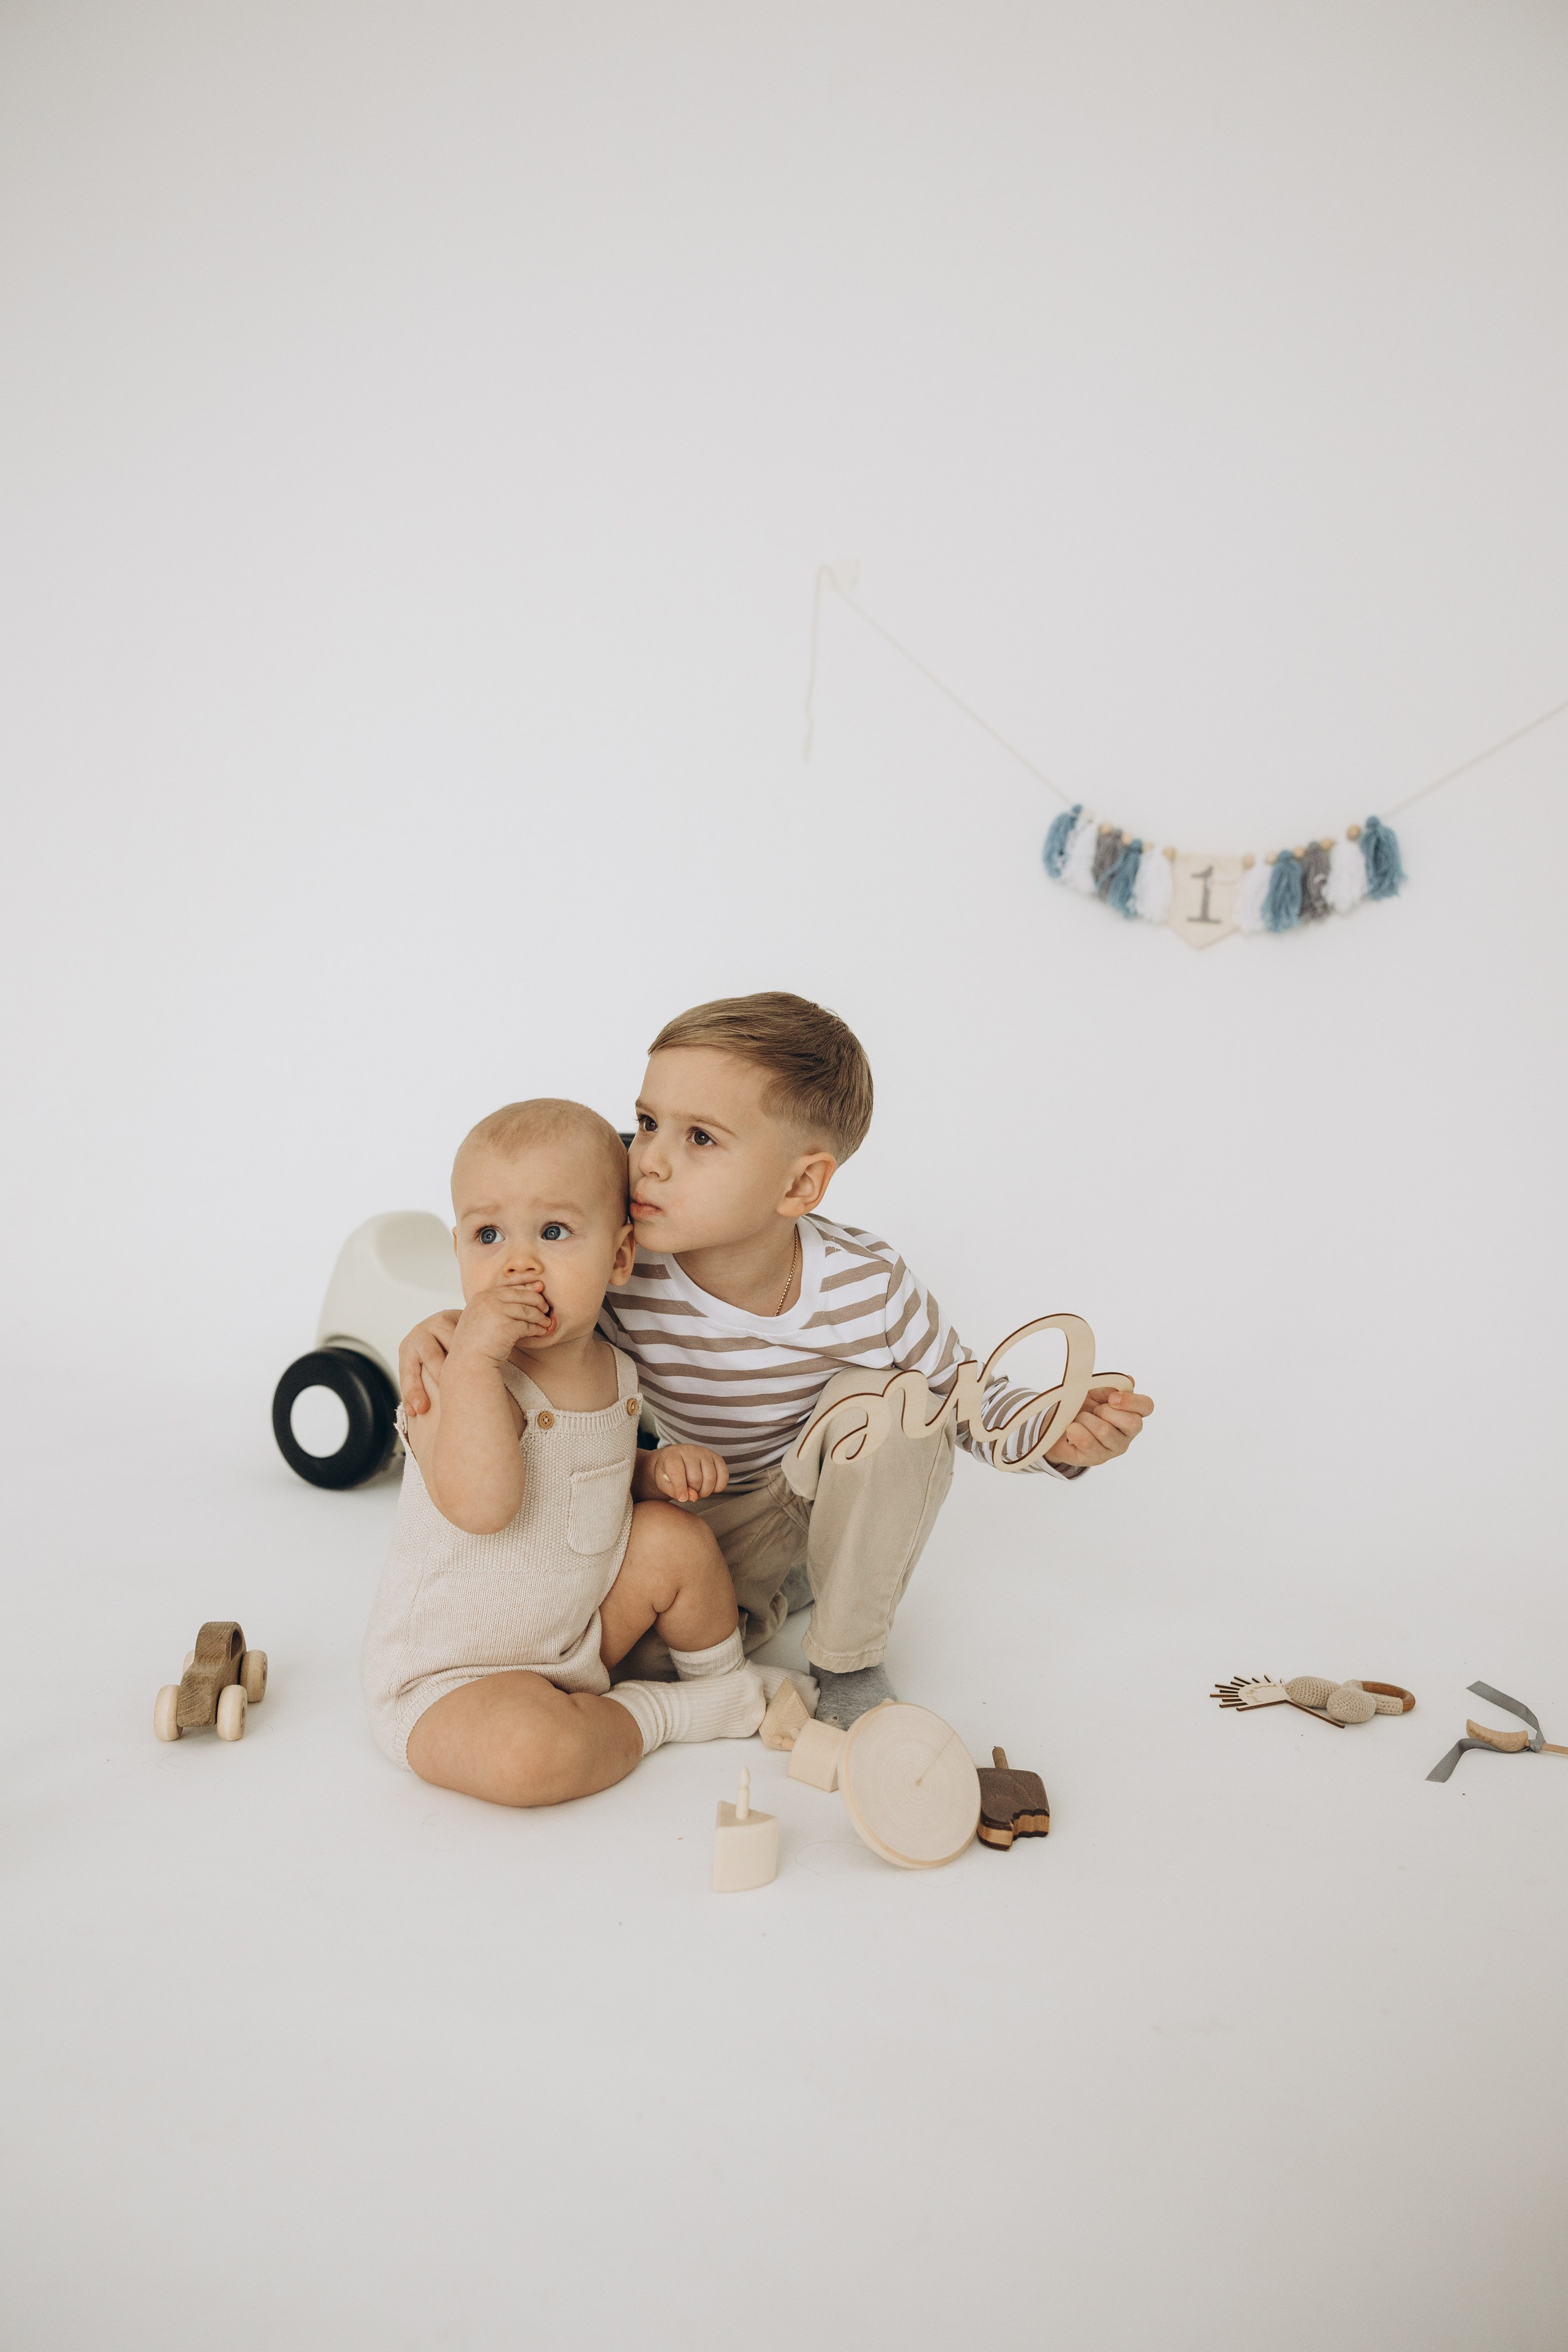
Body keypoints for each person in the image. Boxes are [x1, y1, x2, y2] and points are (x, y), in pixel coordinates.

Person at [399, 995, 1153, 1731]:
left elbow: (962, 1394)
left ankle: (847, 1658)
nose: (648, 1162)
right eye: (648, 1122)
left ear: (799, 1185)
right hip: (688, 1505)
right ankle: (773, 1591)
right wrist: (445, 1329)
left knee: (895, 1406)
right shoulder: (623, 1262)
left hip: (799, 1484)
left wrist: (1051, 1431)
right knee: (635, 1653)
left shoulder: (869, 1285)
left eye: (700, 1140)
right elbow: (524, 1286)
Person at [361, 1096, 804, 1807]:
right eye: (487, 1236)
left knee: (676, 1541)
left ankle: (725, 1683)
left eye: (555, 1230)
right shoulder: (450, 1376)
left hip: (577, 1639)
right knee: (531, 1758)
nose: (518, 1265)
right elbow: (484, 1505)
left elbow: (576, 1478)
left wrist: (651, 1473)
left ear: (620, 1255)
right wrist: (475, 1359)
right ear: (457, 1253)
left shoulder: (614, 1368)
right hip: (452, 1682)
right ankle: (676, 1715)